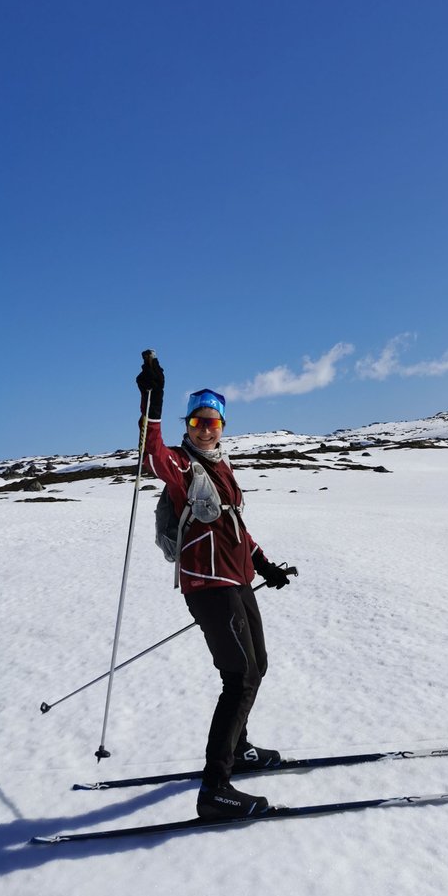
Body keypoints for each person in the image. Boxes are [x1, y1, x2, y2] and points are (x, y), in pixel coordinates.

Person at [136, 351, 292, 820]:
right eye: (199, 421)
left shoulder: (221, 466)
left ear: (222, 426)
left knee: (256, 666)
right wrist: (153, 400)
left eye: (214, 422)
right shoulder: (182, 466)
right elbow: (151, 453)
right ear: (189, 424)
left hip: (237, 580)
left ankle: (239, 748)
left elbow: (234, 527)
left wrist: (264, 565)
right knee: (238, 677)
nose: (206, 428)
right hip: (208, 586)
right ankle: (215, 789)